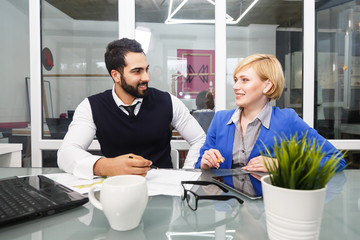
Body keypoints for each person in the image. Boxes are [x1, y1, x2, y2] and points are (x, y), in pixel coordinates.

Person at [58, 38, 206, 179]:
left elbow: (199, 139)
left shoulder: (168, 101)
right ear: (116, 75)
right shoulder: (91, 106)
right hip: (117, 190)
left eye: (146, 69)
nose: (146, 77)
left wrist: (187, 175)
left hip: (163, 191)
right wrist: (105, 166)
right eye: (137, 71)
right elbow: (66, 153)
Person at [195, 54, 346, 171]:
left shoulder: (287, 120)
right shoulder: (220, 119)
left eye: (244, 80)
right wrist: (204, 163)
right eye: (236, 80)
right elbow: (199, 166)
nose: (235, 86)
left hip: (267, 207)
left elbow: (335, 159)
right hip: (225, 207)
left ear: (267, 86)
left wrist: (281, 164)